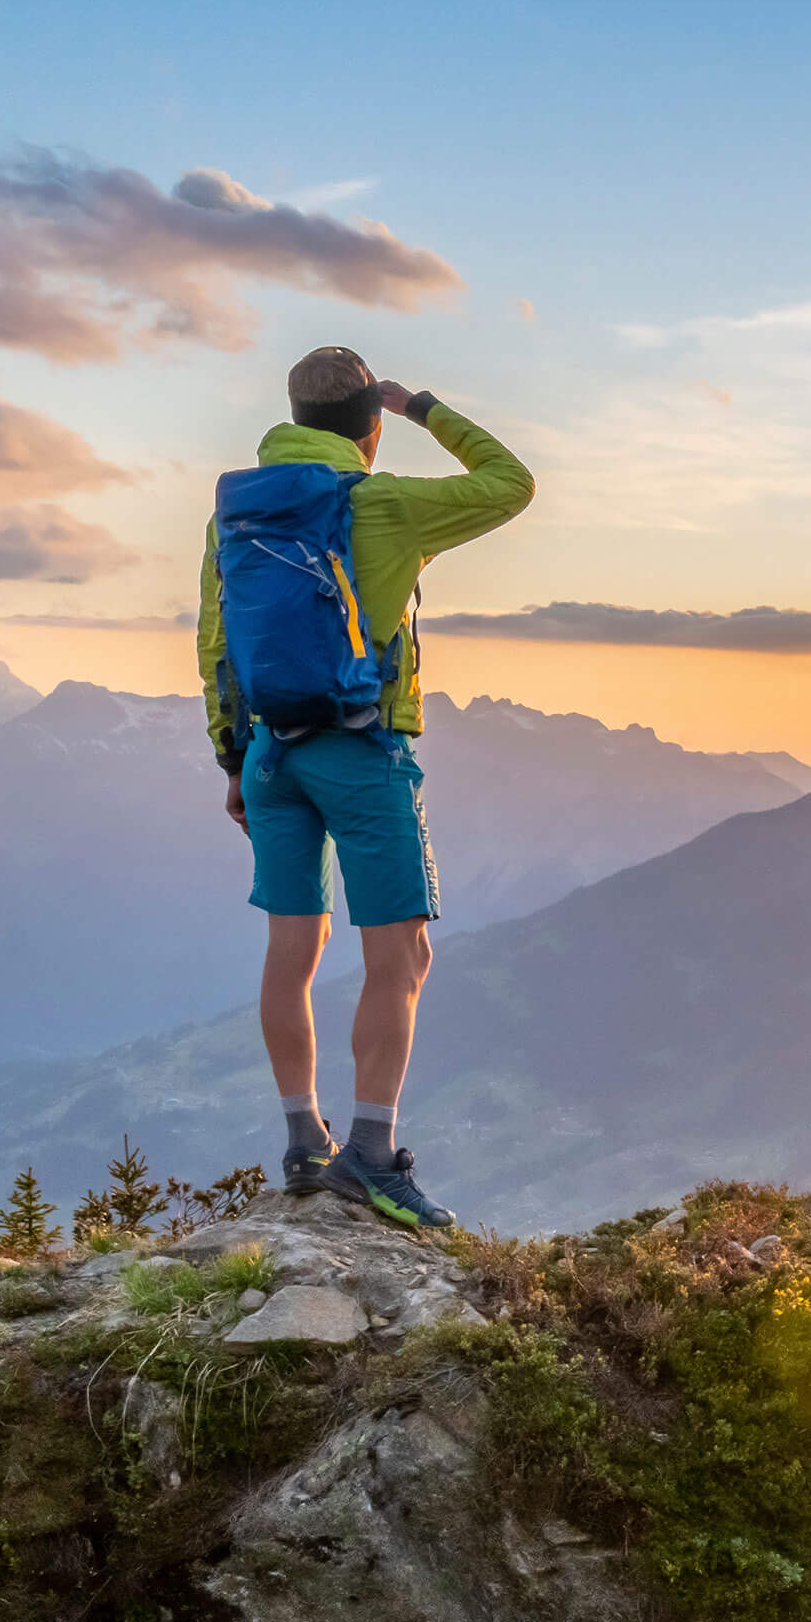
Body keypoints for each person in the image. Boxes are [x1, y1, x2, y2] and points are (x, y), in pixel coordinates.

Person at [196, 346, 534, 1228]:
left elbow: (216, 640)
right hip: (365, 749)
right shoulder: (382, 502)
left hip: (271, 753)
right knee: (402, 956)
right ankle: (373, 1156)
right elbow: (511, 482)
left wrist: (236, 759)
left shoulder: (237, 511)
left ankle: (304, 1142)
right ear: (368, 428)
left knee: (291, 951)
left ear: (293, 420)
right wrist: (426, 404)